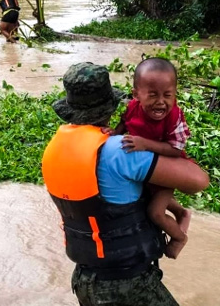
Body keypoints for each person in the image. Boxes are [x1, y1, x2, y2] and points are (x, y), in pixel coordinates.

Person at [41, 62, 210, 306]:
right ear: (111, 105)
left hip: (84, 279)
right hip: (127, 285)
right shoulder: (119, 150)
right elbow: (198, 181)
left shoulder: (54, 149)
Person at [107, 57, 192, 259]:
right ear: (136, 95)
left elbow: (175, 149)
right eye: (153, 95)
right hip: (145, 169)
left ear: (175, 95)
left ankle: (179, 237)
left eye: (167, 95)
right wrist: (113, 134)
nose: (161, 101)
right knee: (145, 199)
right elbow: (123, 125)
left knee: (155, 212)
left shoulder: (175, 117)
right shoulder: (131, 108)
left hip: (168, 168)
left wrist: (144, 144)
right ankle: (182, 213)